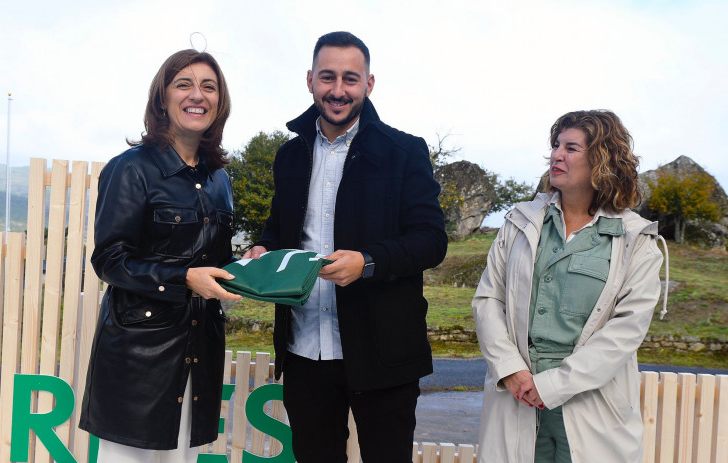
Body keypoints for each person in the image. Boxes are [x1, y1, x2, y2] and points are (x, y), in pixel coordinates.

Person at [244, 31, 447, 462]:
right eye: (327, 77)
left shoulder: (404, 151)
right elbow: (278, 229)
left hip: (384, 353)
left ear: (369, 84)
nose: (338, 90)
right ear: (310, 80)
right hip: (304, 353)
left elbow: (431, 240)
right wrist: (263, 248)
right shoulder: (289, 156)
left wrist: (368, 262)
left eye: (350, 79)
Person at [472, 110, 665, 462]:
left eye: (571, 148)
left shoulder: (636, 239)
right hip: (517, 393)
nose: (556, 155)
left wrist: (551, 386)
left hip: (591, 402)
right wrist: (512, 371)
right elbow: (487, 299)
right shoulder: (519, 222)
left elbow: (627, 329)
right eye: (556, 145)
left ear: (602, 159)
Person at [79, 49, 242, 463]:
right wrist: (184, 278)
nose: (197, 95)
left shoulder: (220, 179)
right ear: (162, 99)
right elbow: (110, 260)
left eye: (209, 86)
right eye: (183, 84)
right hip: (140, 361)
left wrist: (249, 263)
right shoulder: (130, 168)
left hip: (199, 352)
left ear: (219, 102)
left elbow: (215, 265)